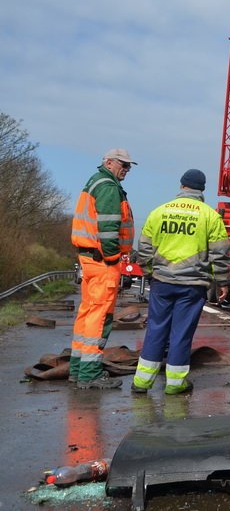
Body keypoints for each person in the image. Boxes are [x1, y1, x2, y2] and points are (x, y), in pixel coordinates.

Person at [130, 169, 230, 395]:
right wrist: (222, 281)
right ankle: (175, 383)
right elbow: (220, 253)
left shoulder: (159, 212)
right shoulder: (210, 216)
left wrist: (149, 273)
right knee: (181, 332)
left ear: (182, 186)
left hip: (162, 282)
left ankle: (141, 382)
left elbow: (144, 249)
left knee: (156, 329)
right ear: (202, 189)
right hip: (192, 285)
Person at [70, 148, 136, 389]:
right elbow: (108, 227)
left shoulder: (96, 182)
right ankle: (89, 374)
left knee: (87, 314)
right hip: (102, 262)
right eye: (123, 165)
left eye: (129, 166)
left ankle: (78, 369)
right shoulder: (108, 186)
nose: (127, 170)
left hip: (90, 260)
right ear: (109, 163)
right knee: (100, 317)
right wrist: (113, 257)